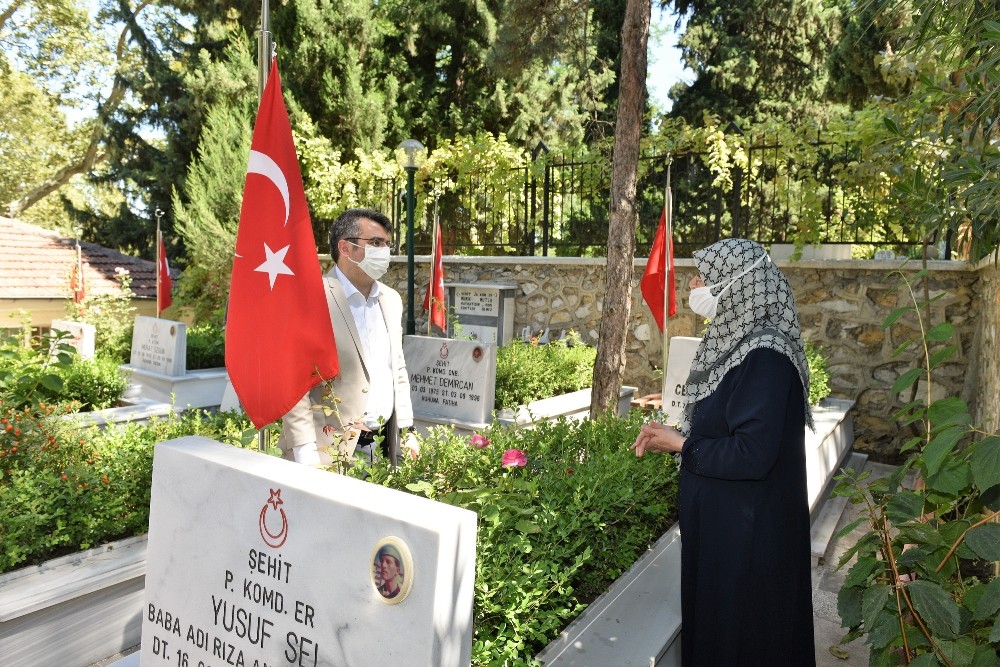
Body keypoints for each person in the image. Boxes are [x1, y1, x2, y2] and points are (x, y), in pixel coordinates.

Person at [631, 238, 816, 666]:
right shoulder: (740, 343)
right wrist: (676, 433)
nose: (694, 284)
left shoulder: (765, 355)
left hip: (749, 540)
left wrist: (679, 444)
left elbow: (752, 453)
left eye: (705, 276)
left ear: (738, 285)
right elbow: (730, 425)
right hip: (730, 531)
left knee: (744, 642)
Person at [279, 207, 418, 467]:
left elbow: (396, 367)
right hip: (325, 450)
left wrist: (407, 431)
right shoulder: (312, 298)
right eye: (375, 243)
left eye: (387, 244)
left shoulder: (391, 299)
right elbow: (294, 379)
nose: (385, 251)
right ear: (345, 248)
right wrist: (305, 451)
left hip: (384, 447)